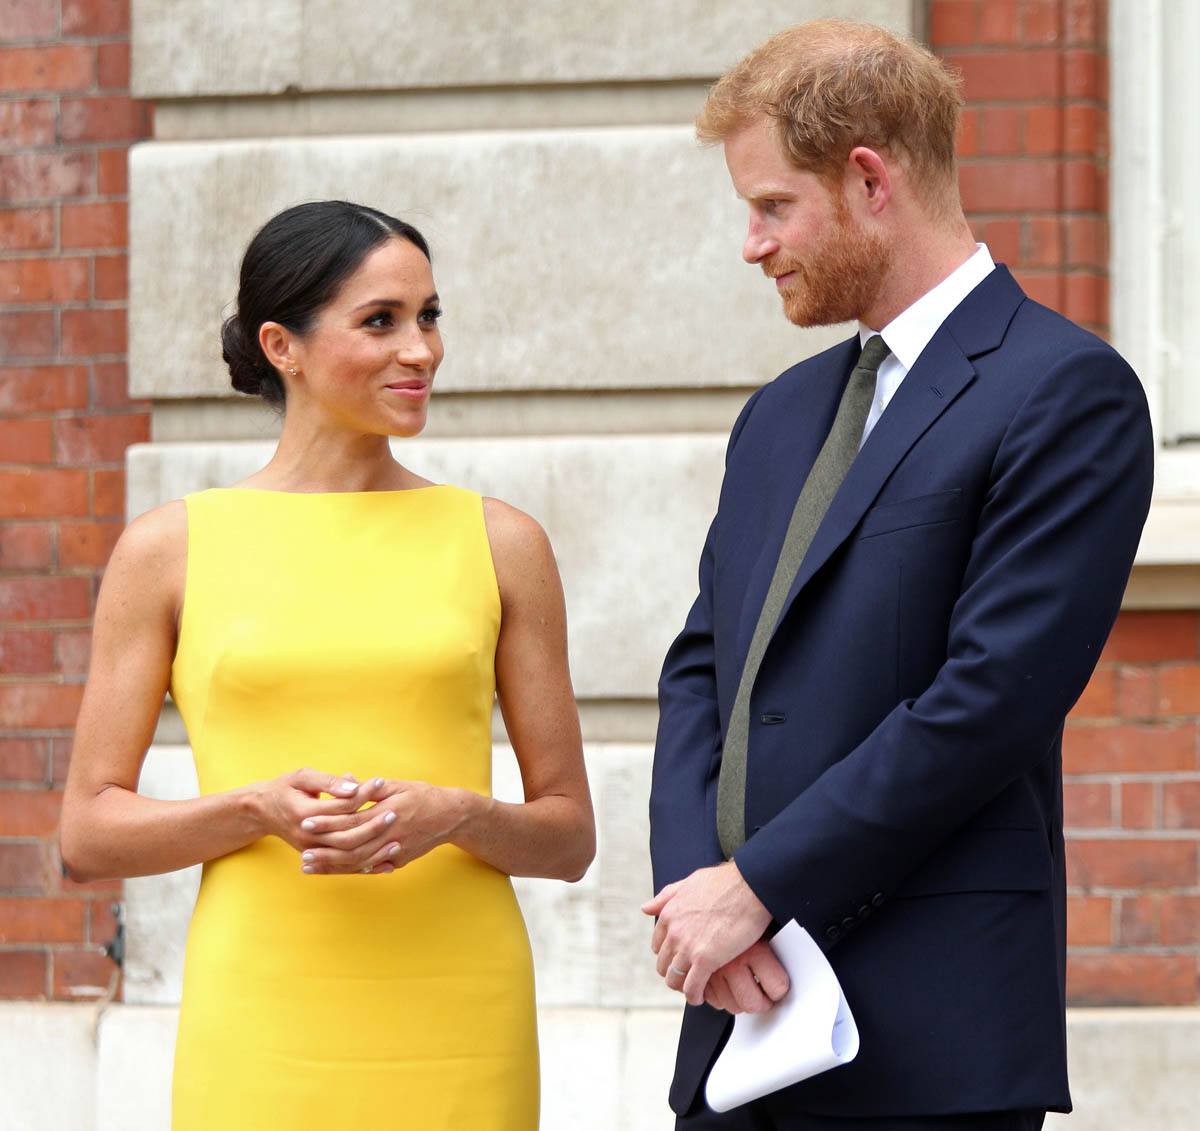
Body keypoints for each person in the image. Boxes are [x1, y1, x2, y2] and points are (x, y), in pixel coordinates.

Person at [644, 19, 1153, 1131]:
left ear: (868, 178)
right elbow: (702, 674)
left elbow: (988, 703)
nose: (752, 244)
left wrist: (759, 886)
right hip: (736, 1022)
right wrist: (700, 905)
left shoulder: (1066, 392)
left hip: (929, 1032)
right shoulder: (779, 415)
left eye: (772, 206)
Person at [59, 200, 595, 1130]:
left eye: (429, 316)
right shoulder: (169, 549)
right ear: (283, 345)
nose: (421, 350)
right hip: (261, 1002)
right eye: (380, 320)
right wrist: (250, 808)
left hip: (457, 1006)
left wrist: (457, 812)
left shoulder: (503, 543)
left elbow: (568, 834)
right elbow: (87, 831)